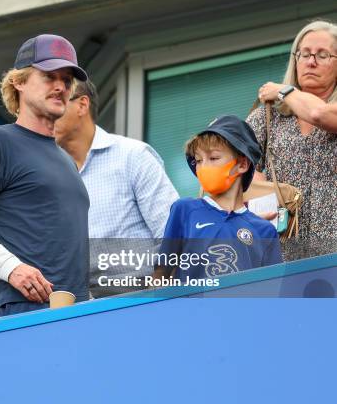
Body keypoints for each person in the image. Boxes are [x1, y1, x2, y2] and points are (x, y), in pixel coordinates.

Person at [0, 34, 90, 318]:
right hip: (21, 312)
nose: (61, 86)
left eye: (67, 80)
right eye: (49, 76)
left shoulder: (66, 161)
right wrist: (11, 268)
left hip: (75, 315)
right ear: (19, 81)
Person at [54, 80, 179, 297]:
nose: (47, 114)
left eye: (57, 102)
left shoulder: (133, 156)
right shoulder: (49, 175)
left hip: (143, 298)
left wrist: (155, 296)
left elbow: (173, 234)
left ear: (82, 105)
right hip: (83, 308)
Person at [154, 116, 282, 282]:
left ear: (242, 164)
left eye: (213, 158)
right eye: (198, 160)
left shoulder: (265, 231)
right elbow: (159, 275)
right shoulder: (185, 210)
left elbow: (271, 293)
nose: (203, 167)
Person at [249, 20, 337, 259]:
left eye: (322, 55)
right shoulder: (268, 117)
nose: (311, 62)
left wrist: (285, 91)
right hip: (281, 252)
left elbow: (319, 114)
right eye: (304, 54)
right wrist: (260, 200)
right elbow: (243, 170)